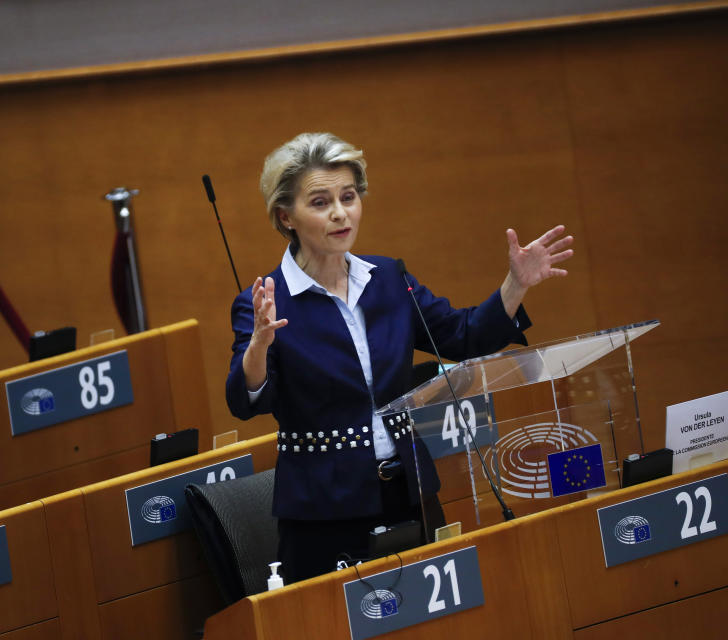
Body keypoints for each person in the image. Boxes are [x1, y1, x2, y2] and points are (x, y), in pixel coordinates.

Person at [225, 132, 573, 584]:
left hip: (409, 492)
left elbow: (463, 335)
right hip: (323, 511)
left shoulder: (390, 278)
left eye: (348, 197)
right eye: (320, 202)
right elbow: (246, 399)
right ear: (286, 216)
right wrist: (259, 346)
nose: (339, 213)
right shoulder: (269, 302)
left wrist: (516, 284)